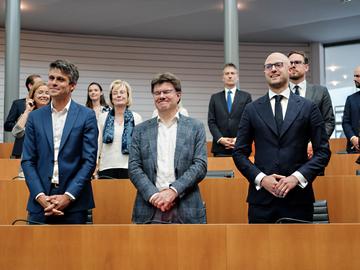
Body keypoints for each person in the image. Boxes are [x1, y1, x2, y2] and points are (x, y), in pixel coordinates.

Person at [232, 52, 331, 223]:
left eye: (278, 65)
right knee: (259, 250)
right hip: (261, 201)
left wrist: (296, 178)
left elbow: (322, 152)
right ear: (264, 72)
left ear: (288, 68)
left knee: (299, 250)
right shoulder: (251, 109)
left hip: (298, 199)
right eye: (268, 66)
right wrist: (262, 179)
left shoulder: (309, 107)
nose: (273, 69)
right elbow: (239, 153)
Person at [21, 59, 98, 224]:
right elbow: (28, 160)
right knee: (35, 250)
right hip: (40, 203)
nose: (53, 83)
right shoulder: (35, 117)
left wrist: (68, 196)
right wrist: (40, 196)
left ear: (72, 85)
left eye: (60, 79)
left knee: (75, 250)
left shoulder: (86, 116)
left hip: (74, 203)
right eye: (51, 78)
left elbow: (89, 161)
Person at [129, 72, 207, 224]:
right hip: (149, 207)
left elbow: (200, 165)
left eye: (167, 92)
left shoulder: (195, 127)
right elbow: (134, 167)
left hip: (187, 206)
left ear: (178, 95)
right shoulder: (140, 130)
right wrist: (154, 196)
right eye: (157, 93)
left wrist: (173, 191)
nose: (161, 96)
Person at [288, 51, 335, 158]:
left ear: (306, 67)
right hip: (287, 156)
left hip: (315, 153)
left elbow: (329, 122)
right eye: (290, 63)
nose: (293, 65)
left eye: (297, 62)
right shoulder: (280, 94)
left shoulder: (321, 91)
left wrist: (315, 143)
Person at [97, 80, 142, 179]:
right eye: (115, 93)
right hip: (106, 167)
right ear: (111, 98)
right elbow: (98, 142)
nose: (118, 95)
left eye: (122, 92)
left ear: (128, 96)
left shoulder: (136, 117)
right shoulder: (102, 117)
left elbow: (140, 145)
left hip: (129, 167)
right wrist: (95, 163)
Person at [208, 63, 252, 156]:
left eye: (232, 73)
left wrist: (239, 138)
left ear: (237, 77)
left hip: (241, 146)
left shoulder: (246, 97)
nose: (230, 76)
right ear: (223, 78)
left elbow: (248, 121)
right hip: (220, 148)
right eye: (227, 73)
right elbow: (211, 121)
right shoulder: (215, 98)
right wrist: (220, 139)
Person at [4, 74, 42, 158]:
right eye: (38, 84)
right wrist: (22, 126)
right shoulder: (18, 104)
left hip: (41, 150)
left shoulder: (46, 104)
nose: (41, 86)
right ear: (30, 85)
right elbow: (7, 125)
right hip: (21, 149)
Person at [342, 66, 360, 153]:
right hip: (354, 149)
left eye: (357, 76)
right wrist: (353, 138)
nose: (354, 79)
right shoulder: (350, 99)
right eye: (354, 76)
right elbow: (345, 122)